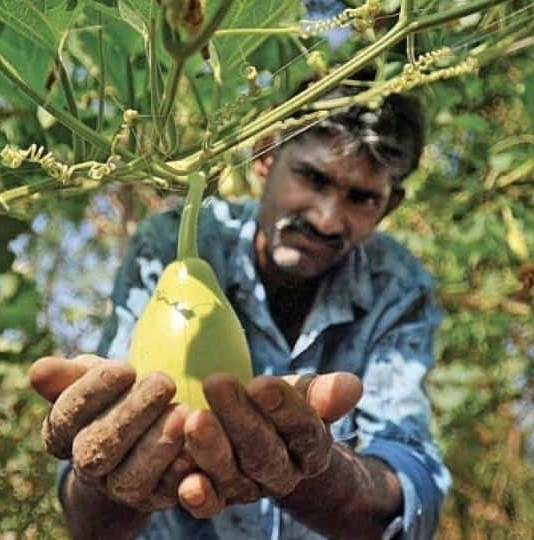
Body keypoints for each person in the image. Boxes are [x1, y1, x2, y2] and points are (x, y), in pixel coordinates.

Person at [29, 85, 450, 539]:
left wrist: (315, 469)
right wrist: (103, 470)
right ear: (265, 154)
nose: (328, 219)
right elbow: (90, 520)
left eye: (361, 198)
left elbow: (408, 479)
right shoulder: (168, 244)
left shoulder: (399, 286)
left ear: (389, 206)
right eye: (313, 178)